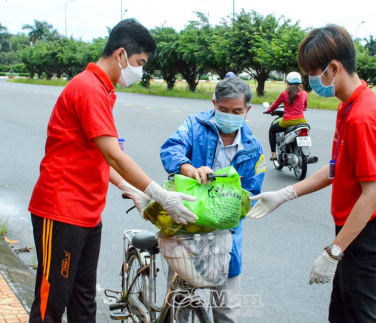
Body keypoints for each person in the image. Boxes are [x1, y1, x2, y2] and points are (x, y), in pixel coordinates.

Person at [27, 19, 198, 323]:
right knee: (51, 302)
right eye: (139, 62)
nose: (140, 71)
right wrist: (158, 194)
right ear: (121, 54)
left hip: (87, 213)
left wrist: (131, 190)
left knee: (83, 300)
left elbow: (100, 157)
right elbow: (114, 155)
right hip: (61, 210)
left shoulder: (103, 90)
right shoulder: (88, 88)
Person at [246, 24, 376, 323]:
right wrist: (285, 193)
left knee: (360, 317)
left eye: (312, 74)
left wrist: (334, 252)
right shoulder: (349, 106)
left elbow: (373, 194)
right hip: (352, 229)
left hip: (365, 231)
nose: (310, 81)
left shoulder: (362, 117)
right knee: (341, 315)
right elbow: (335, 169)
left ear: (333, 68)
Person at [160, 77, 265, 322]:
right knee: (179, 303)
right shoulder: (194, 126)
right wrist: (189, 169)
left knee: (226, 308)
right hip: (187, 224)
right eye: (224, 110)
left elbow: (251, 192)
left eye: (237, 111)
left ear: (247, 111)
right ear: (214, 104)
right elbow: (170, 148)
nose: (230, 115)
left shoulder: (252, 147)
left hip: (225, 235)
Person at [264, 71, 308, 161]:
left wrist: (268, 111)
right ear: (299, 83)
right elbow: (305, 105)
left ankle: (273, 154)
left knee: (272, 130)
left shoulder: (284, 94)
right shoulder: (304, 93)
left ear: (287, 83)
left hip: (287, 121)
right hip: (302, 122)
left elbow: (275, 104)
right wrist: (302, 109)